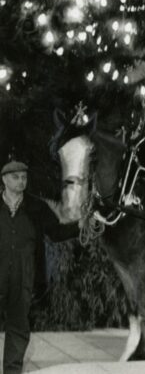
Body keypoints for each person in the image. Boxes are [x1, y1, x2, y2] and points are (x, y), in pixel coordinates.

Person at [1, 160, 78, 374]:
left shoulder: (36, 207)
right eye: (16, 177)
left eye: (24, 177)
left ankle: (12, 371)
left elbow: (56, 232)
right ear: (4, 180)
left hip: (24, 276)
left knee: (18, 328)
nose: (21, 181)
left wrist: (81, 226)